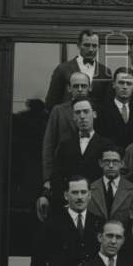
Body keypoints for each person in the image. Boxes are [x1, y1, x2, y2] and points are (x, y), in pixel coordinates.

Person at [48, 100, 117, 206]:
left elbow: (109, 176)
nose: (82, 116)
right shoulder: (65, 145)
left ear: (94, 114)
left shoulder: (107, 145)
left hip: (98, 203)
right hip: (70, 203)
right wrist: (65, 199)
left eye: (86, 111)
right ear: (73, 117)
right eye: (78, 113)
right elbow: (57, 176)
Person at [40, 71, 90, 216]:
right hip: (63, 174)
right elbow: (49, 145)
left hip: (89, 173)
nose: (80, 89)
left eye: (83, 86)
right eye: (76, 86)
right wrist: (47, 178)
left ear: (89, 87)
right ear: (69, 88)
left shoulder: (96, 111)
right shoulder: (59, 111)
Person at [45, 29, 111, 109]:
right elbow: (52, 101)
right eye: (86, 45)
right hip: (69, 118)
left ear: (99, 47)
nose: (90, 50)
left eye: (94, 46)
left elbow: (107, 102)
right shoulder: (62, 69)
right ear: (78, 45)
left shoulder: (104, 71)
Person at [95, 69, 133, 151]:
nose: (125, 87)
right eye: (121, 83)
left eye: (129, 84)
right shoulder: (101, 111)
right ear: (113, 84)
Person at [87, 149, 133, 224]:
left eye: (115, 161)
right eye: (107, 161)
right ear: (100, 163)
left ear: (122, 164)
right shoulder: (89, 189)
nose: (111, 166)